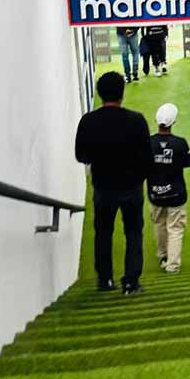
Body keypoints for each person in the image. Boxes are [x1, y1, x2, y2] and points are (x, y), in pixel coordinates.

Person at [74, 70, 152, 295]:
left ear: (99, 93)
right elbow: (147, 158)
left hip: (103, 187)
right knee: (134, 232)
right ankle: (131, 282)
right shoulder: (136, 120)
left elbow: (81, 155)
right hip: (131, 186)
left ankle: (105, 279)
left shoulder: (88, 121)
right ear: (122, 92)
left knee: (103, 233)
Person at [148, 102, 190, 273]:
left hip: (155, 193)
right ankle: (173, 265)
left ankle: (163, 256)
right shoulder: (180, 143)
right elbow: (187, 162)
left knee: (159, 224)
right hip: (176, 194)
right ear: (174, 122)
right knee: (175, 228)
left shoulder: (147, 143)